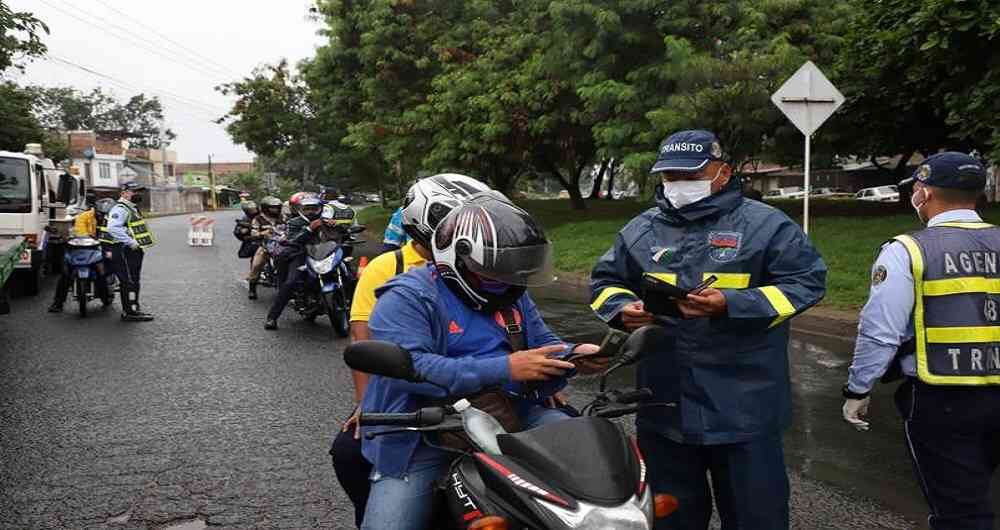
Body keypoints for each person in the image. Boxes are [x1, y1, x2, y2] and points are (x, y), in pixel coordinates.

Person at [589, 129, 827, 530]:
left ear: (722, 173)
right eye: (671, 178)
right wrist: (620, 309)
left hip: (745, 406)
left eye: (690, 176)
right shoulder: (640, 230)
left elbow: (807, 283)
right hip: (664, 405)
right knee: (671, 518)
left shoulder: (766, 226)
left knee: (757, 518)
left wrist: (732, 304)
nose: (680, 186)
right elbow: (604, 282)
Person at [359, 194, 607, 530]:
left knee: (594, 479)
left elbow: (544, 344)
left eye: (515, 273)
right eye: (496, 273)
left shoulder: (511, 293)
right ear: (455, 260)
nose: (508, 283)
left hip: (513, 415)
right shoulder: (406, 297)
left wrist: (574, 355)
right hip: (424, 433)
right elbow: (410, 369)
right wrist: (506, 368)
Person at [842, 152, 1000, 530]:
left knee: (960, 511)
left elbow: (881, 330)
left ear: (923, 193)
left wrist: (858, 389)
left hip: (943, 400)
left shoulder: (907, 250)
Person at [332, 174, 491, 528]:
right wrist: (367, 405)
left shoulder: (489, 270)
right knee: (349, 451)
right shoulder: (389, 270)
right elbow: (363, 340)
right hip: (408, 400)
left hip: (487, 398)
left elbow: (527, 335)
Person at [264, 195, 324, 329]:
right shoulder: (294, 222)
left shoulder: (326, 220)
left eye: (314, 209)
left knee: (347, 271)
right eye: (307, 209)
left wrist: (337, 226)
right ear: (301, 210)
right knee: (290, 282)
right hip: (300, 254)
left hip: (323, 254)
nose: (311, 212)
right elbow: (293, 239)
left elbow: (338, 235)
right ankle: (272, 318)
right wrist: (309, 229)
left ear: (320, 209)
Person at [47, 194, 111, 312]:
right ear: (95, 210)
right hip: (84, 248)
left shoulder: (113, 218)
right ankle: (57, 303)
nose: (102, 217)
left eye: (104, 215)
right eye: (100, 214)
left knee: (103, 273)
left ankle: (106, 295)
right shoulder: (83, 217)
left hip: (101, 248)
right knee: (65, 275)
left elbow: (114, 233)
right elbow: (80, 234)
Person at [107, 181, 156, 322]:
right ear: (124, 193)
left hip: (132, 251)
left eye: (140, 191)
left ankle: (133, 308)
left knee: (133, 279)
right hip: (124, 250)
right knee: (128, 280)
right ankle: (129, 312)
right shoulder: (120, 208)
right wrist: (131, 242)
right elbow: (113, 228)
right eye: (134, 191)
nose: (138, 194)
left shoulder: (131, 208)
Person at [246, 196, 283, 300]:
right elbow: (254, 233)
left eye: (277, 207)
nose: (275, 210)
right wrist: (263, 233)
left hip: (282, 245)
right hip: (265, 245)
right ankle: (252, 288)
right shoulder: (258, 219)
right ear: (265, 208)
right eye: (272, 208)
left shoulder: (283, 217)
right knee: (257, 265)